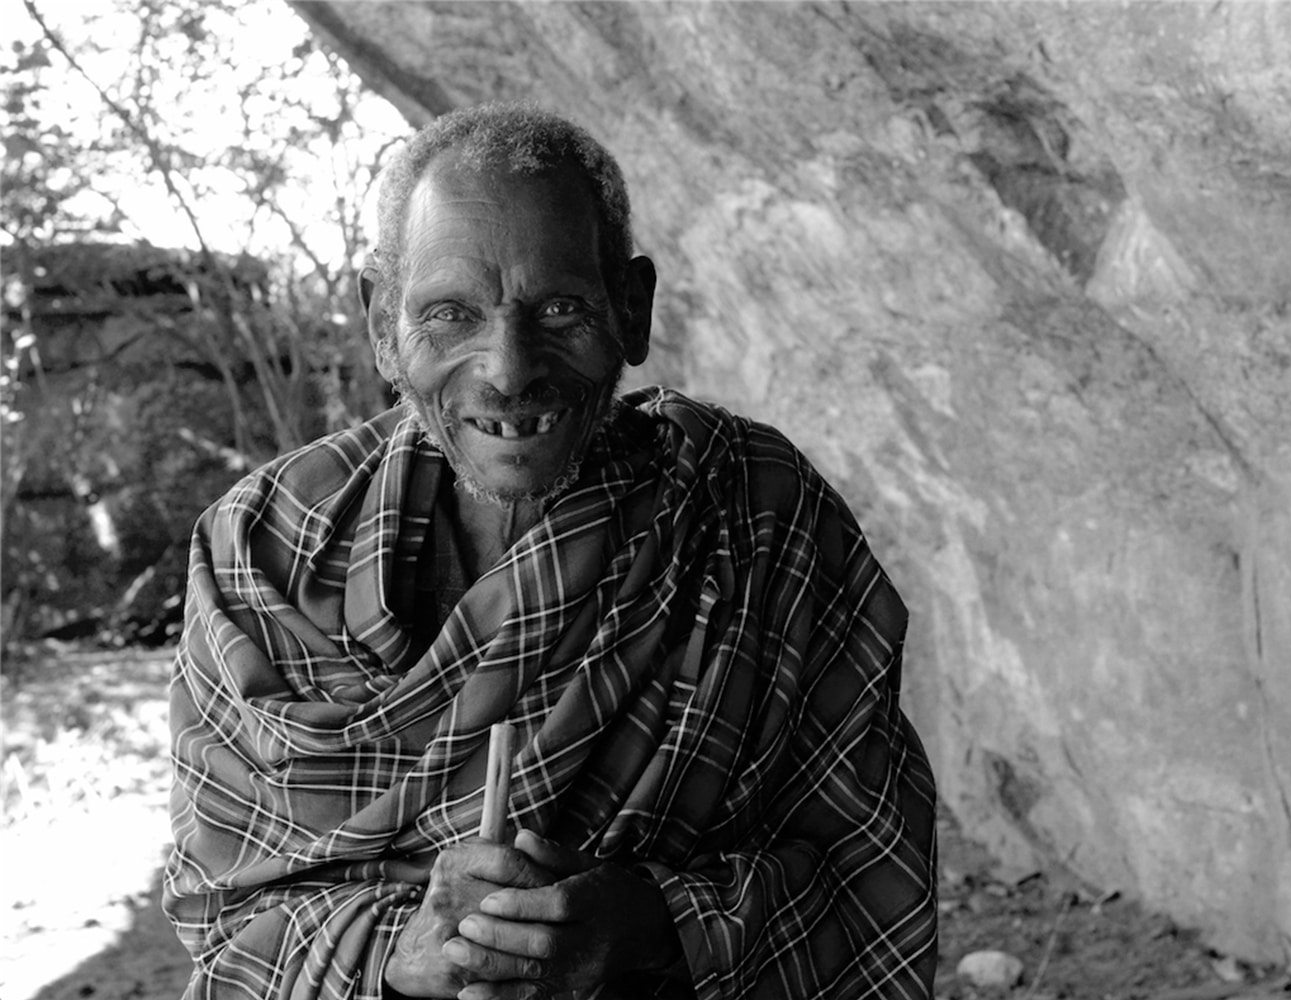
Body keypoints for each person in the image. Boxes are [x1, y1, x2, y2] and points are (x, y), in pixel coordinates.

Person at [164, 102, 937, 1000]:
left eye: (562, 307)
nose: (507, 367)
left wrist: (656, 924)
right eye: (450, 314)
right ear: (382, 323)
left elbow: (869, 863)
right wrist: (405, 953)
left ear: (633, 310)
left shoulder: (752, 510)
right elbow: (222, 918)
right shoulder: (262, 545)